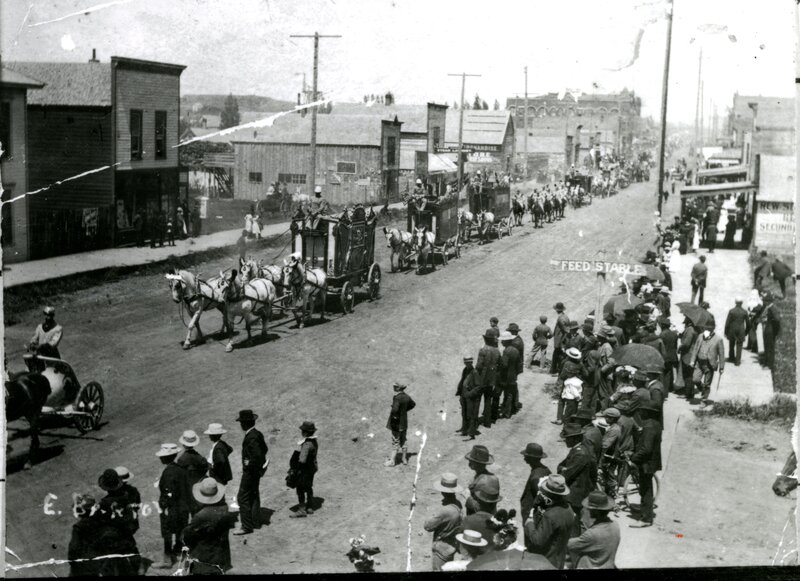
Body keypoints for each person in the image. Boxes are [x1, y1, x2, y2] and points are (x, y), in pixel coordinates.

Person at [180, 478, 236, 574]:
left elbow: (187, 536)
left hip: (204, 556)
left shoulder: (201, 515)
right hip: (221, 554)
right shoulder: (224, 508)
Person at [96, 468, 142, 576]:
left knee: (116, 556)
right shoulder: (127, 495)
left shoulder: (105, 503)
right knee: (131, 548)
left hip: (115, 533)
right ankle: (140, 569)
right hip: (128, 527)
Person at [524, 474, 575, 569]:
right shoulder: (569, 509)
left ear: (549, 494)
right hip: (559, 559)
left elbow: (537, 541)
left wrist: (529, 522)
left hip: (545, 561)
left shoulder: (550, 516)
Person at [154, 443, 192, 569]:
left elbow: (169, 493)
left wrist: (163, 506)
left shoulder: (168, 472)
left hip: (172, 508)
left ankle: (167, 559)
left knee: (167, 533)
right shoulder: (180, 469)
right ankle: (182, 554)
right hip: (183, 506)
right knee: (181, 530)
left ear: (165, 458)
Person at [557, 423, 597, 536]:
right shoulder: (579, 449)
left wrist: (562, 469)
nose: (565, 441)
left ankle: (572, 549)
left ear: (575, 438)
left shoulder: (580, 454)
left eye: (567, 438)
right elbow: (561, 466)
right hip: (578, 490)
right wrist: (562, 468)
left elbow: (565, 474)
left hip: (575, 493)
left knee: (572, 521)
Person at [234, 409, 268, 535]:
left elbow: (258, 454)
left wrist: (249, 463)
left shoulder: (251, 437)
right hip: (256, 472)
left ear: (244, 424)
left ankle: (246, 526)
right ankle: (255, 521)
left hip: (250, 473)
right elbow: (264, 449)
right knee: (253, 495)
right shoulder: (257, 434)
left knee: (242, 497)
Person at [629, 401, 662, 528]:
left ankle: (646, 518)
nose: (640, 413)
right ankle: (646, 511)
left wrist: (634, 458)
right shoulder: (656, 424)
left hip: (646, 463)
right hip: (652, 462)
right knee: (646, 488)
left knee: (646, 489)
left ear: (648, 412)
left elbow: (646, 449)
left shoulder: (648, 427)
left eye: (642, 410)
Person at [566, 491, 620, 568]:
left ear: (594, 512)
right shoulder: (615, 525)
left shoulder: (591, 534)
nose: (584, 510)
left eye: (586, 509)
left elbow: (568, 545)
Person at [423, 474, 464, 570]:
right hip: (451, 546)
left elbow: (427, 526)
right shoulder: (457, 504)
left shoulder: (445, 511)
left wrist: (433, 515)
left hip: (441, 549)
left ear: (443, 491)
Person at [689, 321, 725, 406]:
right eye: (705, 328)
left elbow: (721, 354)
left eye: (709, 329)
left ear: (712, 330)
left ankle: (704, 400)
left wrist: (722, 367)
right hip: (699, 363)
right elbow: (695, 349)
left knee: (707, 384)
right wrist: (692, 360)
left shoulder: (718, 339)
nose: (706, 330)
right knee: (695, 379)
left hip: (709, 365)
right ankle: (702, 389)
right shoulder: (700, 336)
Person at [519, 443, 552, 536]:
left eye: (527, 456)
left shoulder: (536, 477)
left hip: (532, 516)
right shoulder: (545, 470)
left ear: (532, 458)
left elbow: (540, 498)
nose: (524, 458)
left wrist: (530, 517)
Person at [176, 430, 210, 515]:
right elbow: (207, 466)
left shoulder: (182, 459)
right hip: (200, 484)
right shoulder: (199, 457)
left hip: (189, 488)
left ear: (183, 444)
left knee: (193, 509)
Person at [289, 421, 319, 518]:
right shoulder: (314, 442)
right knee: (309, 486)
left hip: (304, 470)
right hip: (312, 468)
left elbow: (302, 460)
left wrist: (294, 469)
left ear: (305, 432)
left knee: (300, 488)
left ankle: (301, 510)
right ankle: (309, 507)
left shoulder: (306, 444)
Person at [385, 382, 416, 466]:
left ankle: (392, 461)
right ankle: (404, 459)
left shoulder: (397, 398)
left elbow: (395, 410)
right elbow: (413, 404)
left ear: (398, 388)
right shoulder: (406, 396)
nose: (393, 387)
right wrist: (404, 410)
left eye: (395, 386)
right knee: (403, 440)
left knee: (395, 441)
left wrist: (395, 416)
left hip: (397, 423)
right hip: (404, 422)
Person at [476, 332, 500, 429]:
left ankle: (474, 422)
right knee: (488, 399)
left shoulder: (483, 350)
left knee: (477, 400)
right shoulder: (497, 351)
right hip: (491, 379)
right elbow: (499, 363)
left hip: (482, 378)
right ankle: (487, 422)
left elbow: (479, 365)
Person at [464, 444, 497, 515]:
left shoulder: (484, 482)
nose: (469, 463)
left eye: (471, 461)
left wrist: (468, 498)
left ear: (477, 463)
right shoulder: (490, 477)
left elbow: (482, 509)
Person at [498, 331, 520, 419]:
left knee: (507, 394)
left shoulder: (506, 351)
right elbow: (518, 364)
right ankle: (512, 409)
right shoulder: (516, 350)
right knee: (511, 392)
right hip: (513, 375)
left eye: (503, 341)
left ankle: (507, 412)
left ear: (506, 341)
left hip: (506, 376)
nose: (501, 342)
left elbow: (504, 365)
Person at [759, 292, 781, 369]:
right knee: (767, 347)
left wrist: (774, 328)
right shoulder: (768, 307)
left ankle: (770, 365)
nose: (764, 302)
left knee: (770, 348)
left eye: (765, 300)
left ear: (769, 301)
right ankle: (766, 362)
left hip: (770, 331)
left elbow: (777, 319)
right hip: (768, 330)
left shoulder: (772, 308)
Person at [724, 297, 749, 366]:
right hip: (741, 330)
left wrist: (726, 332)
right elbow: (748, 323)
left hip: (732, 330)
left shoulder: (731, 311)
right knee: (739, 345)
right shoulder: (744, 312)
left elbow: (727, 323)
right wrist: (746, 332)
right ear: (742, 303)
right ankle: (737, 361)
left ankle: (731, 357)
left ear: (735, 302)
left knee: (731, 344)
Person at [550, 303, 570, 374]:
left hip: (560, 339)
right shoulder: (565, 316)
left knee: (557, 354)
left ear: (557, 310)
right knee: (559, 354)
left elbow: (566, 330)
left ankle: (554, 370)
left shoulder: (560, 318)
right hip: (561, 338)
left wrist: (562, 340)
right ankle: (556, 369)